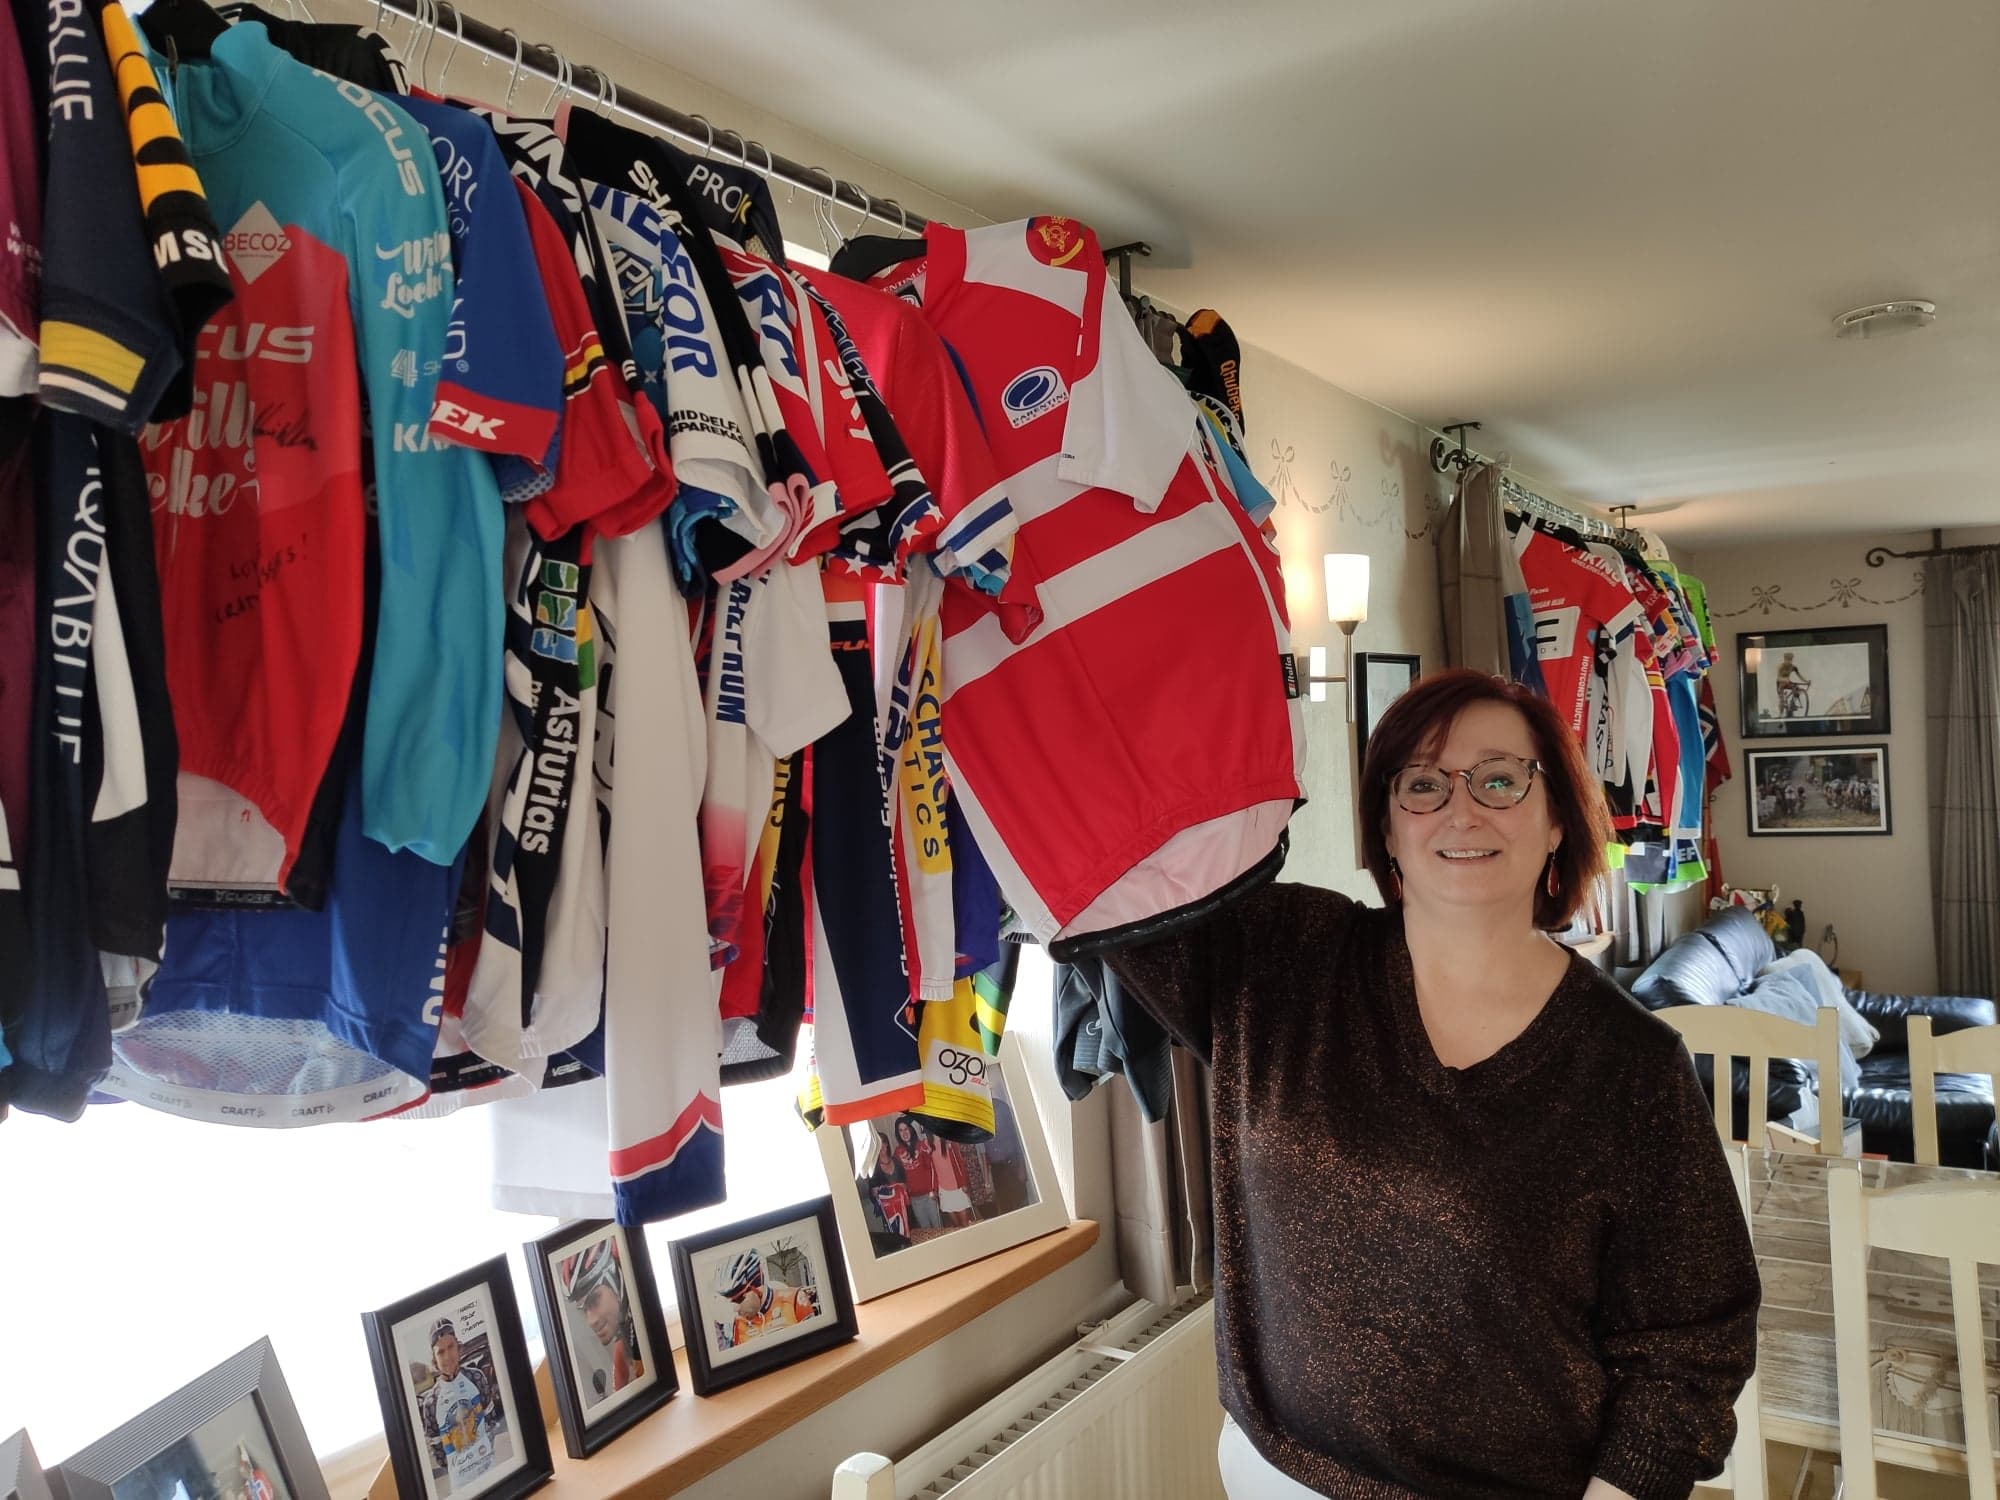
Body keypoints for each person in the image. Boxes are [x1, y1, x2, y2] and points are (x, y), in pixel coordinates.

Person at [1106, 668, 1759, 1500]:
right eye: (1422, 785)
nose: (1462, 811)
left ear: (1558, 819)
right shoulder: (1285, 958)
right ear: (1385, 826)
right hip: (1274, 1470)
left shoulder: (1631, 1066)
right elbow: (1112, 873)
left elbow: (1691, 1344)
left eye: (1500, 780)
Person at [560, 1238, 644, 1401]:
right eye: (584, 1309)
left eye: (594, 1301)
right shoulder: (626, 1329)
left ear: (615, 1280)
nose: (591, 1321)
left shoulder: (640, 1318)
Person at [423, 1318, 498, 1487]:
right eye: (440, 1352)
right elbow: (438, 1451)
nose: (447, 1356)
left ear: (458, 1347)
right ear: (434, 1359)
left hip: (488, 1468)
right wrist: (459, 1465)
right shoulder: (431, 1403)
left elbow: (491, 1419)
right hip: (461, 1484)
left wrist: (483, 1452)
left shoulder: (476, 1377)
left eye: (451, 1347)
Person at [711, 1247, 820, 1349]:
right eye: (730, 1302)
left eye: (739, 1299)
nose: (735, 1309)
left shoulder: (795, 1299)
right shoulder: (737, 1323)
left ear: (758, 1287)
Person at [891, 1114, 942, 1231]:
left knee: (938, 1229)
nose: (904, 1133)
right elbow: (898, 1176)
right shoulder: (898, 1152)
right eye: (900, 1130)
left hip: (929, 1196)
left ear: (911, 1129)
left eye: (906, 1129)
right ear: (898, 1133)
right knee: (926, 1231)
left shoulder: (922, 1146)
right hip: (915, 1199)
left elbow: (932, 1168)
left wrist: (934, 1189)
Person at [930, 1133, 975, 1227]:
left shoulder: (950, 1139)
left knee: (965, 1224)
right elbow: (932, 1169)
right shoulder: (928, 1144)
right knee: (956, 1226)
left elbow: (960, 1162)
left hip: (958, 1186)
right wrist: (933, 1189)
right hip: (944, 1190)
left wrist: (964, 1182)